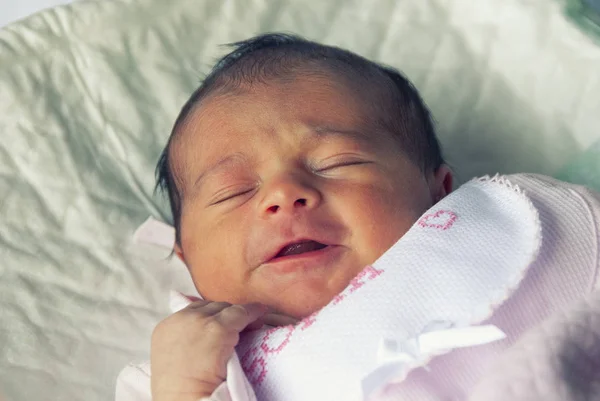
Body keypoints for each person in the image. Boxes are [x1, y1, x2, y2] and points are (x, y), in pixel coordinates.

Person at [116, 33, 600, 401]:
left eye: (338, 163)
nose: (284, 196)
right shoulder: (183, 370)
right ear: (186, 257)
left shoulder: (512, 229)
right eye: (233, 192)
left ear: (439, 191)